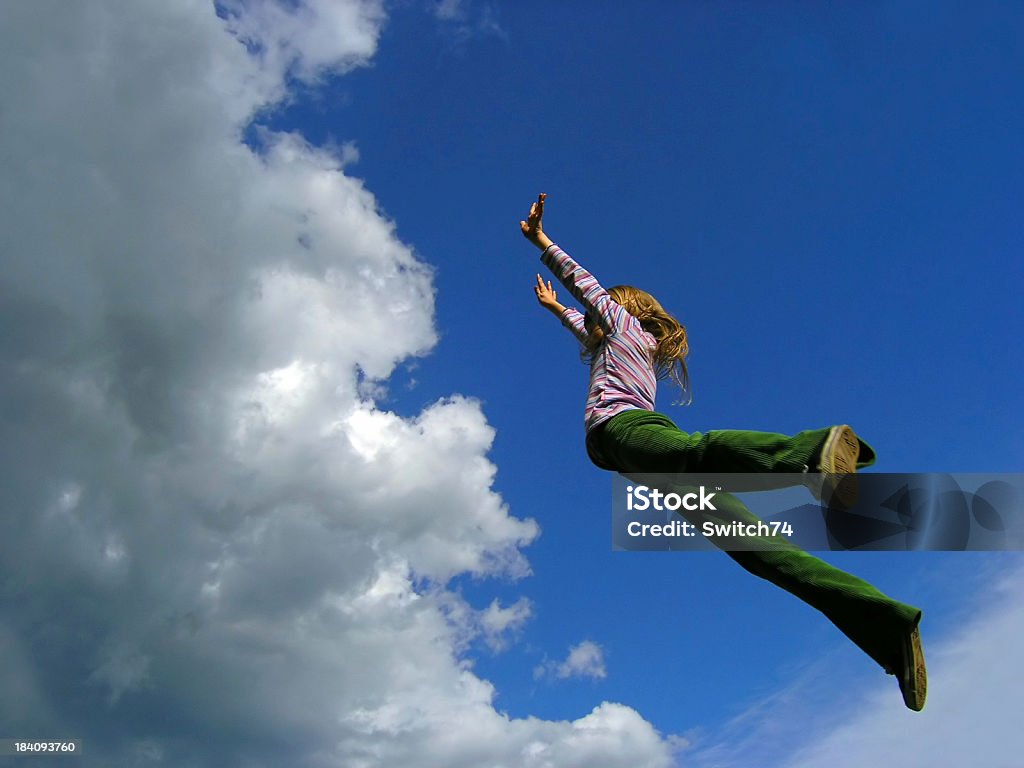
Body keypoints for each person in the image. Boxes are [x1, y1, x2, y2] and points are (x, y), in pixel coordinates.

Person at [520, 192, 927, 711]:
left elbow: (587, 287)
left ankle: (808, 454)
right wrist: (557, 310)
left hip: (626, 432)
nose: (590, 318)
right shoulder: (622, 341)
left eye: (599, 312)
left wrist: (542, 242)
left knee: (699, 450)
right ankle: (887, 626)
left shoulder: (619, 324)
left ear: (619, 309)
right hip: (647, 457)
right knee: (760, 550)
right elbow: (583, 323)